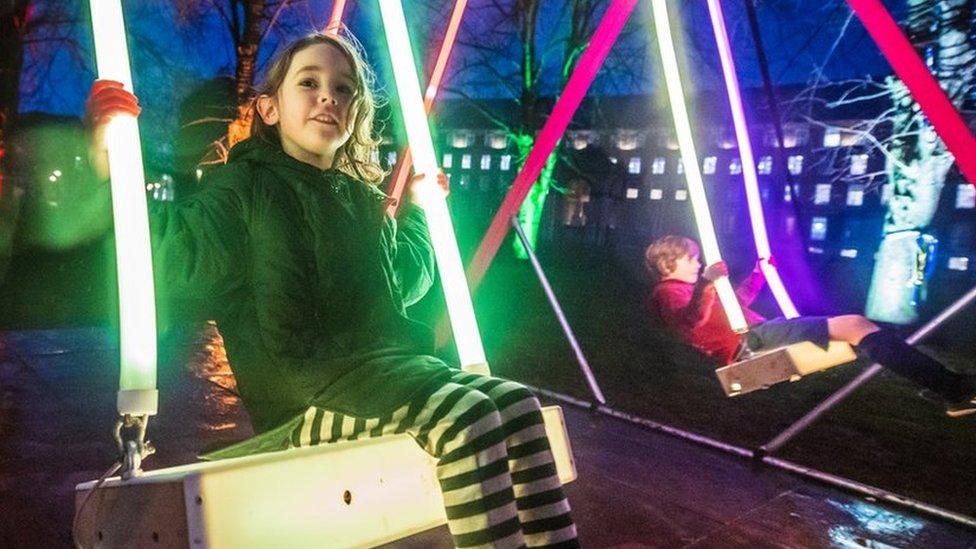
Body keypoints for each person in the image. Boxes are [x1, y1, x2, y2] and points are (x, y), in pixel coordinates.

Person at [87, 31, 577, 547]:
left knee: (520, 409)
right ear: (270, 109)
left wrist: (420, 211)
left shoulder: (364, 204)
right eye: (309, 82)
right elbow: (162, 251)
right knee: (470, 419)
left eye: (344, 90)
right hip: (305, 400)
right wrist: (109, 161)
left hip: (389, 377)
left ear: (354, 114)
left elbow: (407, 276)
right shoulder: (243, 191)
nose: (329, 96)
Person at [644, 235, 976, 417]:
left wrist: (759, 274)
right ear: (667, 263)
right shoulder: (667, 293)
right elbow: (690, 322)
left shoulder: (692, 290)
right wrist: (708, 284)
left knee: (855, 330)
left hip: (758, 335)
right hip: (751, 345)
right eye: (691, 258)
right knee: (854, 326)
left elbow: (736, 303)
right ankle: (953, 389)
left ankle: (950, 388)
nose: (698, 262)